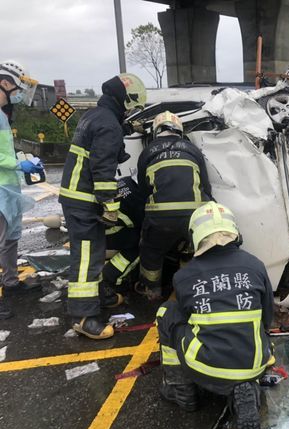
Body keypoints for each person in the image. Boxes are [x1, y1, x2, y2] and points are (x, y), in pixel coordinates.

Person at [155, 201, 273, 429]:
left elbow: (187, 318)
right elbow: (266, 317)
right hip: (255, 361)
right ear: (234, 233)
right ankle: (244, 385)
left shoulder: (184, 276)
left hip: (205, 368)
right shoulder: (255, 265)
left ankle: (180, 388)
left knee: (167, 312)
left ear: (195, 236)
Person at [58, 73, 146, 339]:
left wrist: (128, 129)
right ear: (126, 100)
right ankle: (84, 317)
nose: (133, 111)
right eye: (133, 106)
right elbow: (103, 167)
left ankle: (98, 297)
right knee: (86, 258)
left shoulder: (97, 116)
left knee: (93, 253)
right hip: (84, 200)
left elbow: (103, 146)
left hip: (77, 197)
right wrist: (109, 203)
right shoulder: (108, 125)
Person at [136, 111, 212, 302]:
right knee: (190, 250)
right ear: (179, 130)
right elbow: (206, 185)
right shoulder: (193, 149)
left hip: (160, 218)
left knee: (151, 251)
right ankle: (191, 288)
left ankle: (152, 290)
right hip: (193, 216)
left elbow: (143, 189)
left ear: (156, 131)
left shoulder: (148, 152)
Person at [0, 61, 44, 320]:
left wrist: (20, 159)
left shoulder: (3, 114)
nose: (20, 92)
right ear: (5, 83)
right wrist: (19, 163)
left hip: (7, 185)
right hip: (1, 185)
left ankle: (11, 281)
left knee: (10, 238)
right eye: (18, 86)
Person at [100, 176, 145, 307]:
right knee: (142, 243)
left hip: (91, 227)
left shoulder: (126, 181)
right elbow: (145, 225)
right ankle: (111, 278)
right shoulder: (137, 202)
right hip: (102, 232)